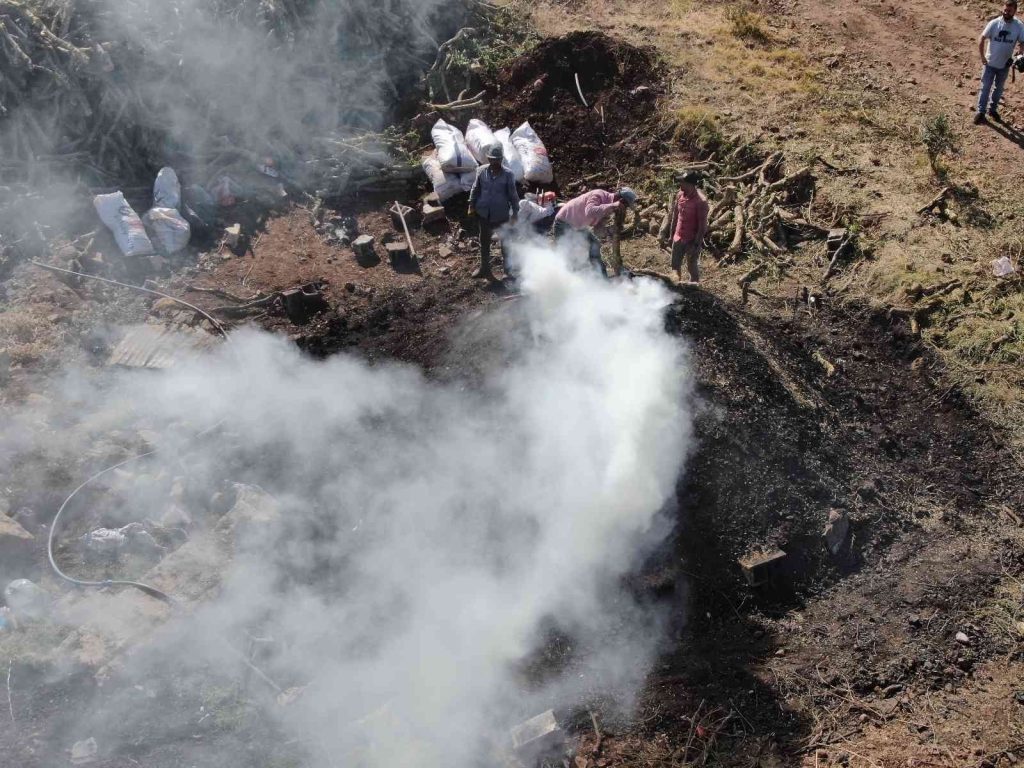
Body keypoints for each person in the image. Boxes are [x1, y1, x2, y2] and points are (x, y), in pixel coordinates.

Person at [553, 187, 638, 275]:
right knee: (569, 255)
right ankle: (566, 279)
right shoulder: (599, 194)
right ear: (621, 200)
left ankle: (601, 278)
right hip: (563, 222)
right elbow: (589, 211)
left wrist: (608, 233)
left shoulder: (608, 208)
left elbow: (597, 229)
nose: (625, 208)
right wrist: (613, 205)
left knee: (594, 245)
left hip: (577, 226)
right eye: (626, 205)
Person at [468, 144, 519, 280]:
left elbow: (513, 196)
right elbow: (475, 189)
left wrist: (515, 213)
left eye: (497, 159)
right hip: (484, 214)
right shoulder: (481, 171)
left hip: (501, 215)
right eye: (492, 159)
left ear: (501, 159)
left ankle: (507, 272)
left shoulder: (508, 174)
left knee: (505, 244)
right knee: (484, 243)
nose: (495, 162)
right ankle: (484, 269)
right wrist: (471, 205)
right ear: (488, 159)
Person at [975, 1, 1024, 124]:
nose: (1006, 12)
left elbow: (1022, 41)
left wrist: (1020, 51)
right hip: (990, 63)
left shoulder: (1018, 26)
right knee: (985, 88)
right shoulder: (995, 23)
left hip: (1005, 64)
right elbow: (981, 38)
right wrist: (982, 57)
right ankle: (981, 112)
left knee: (998, 89)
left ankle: (992, 110)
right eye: (1005, 10)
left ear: (1015, 11)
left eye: (1009, 11)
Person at [664, 171, 709, 285]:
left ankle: (694, 288)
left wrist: (696, 244)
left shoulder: (701, 202)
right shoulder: (679, 195)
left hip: (691, 240)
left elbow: (702, 226)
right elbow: (675, 216)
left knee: (691, 266)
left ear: (690, 184)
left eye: (682, 182)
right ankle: (676, 286)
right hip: (678, 237)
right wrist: (671, 235)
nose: (680, 184)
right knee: (675, 265)